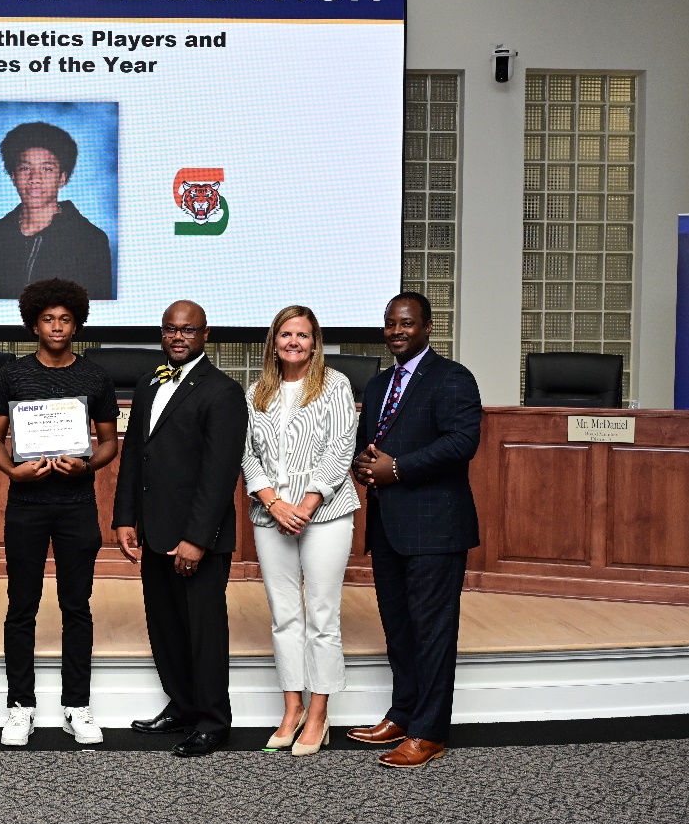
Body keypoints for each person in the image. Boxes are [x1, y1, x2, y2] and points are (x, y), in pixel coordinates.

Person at [0, 279, 120, 746]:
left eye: (65, 319)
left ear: (77, 322)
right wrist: (13, 473)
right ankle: (19, 706)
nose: (57, 327)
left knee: (76, 607)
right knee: (21, 607)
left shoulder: (95, 377)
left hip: (77, 506)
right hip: (25, 506)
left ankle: (76, 706)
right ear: (34, 323)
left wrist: (86, 466)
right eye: (48, 319)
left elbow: (109, 443)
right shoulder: (12, 374)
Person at [349, 292, 482, 768]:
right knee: (399, 628)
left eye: (406, 323)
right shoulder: (381, 381)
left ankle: (429, 731)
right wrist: (364, 467)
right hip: (388, 526)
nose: (396, 331)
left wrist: (398, 469)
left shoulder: (452, 378)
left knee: (432, 631)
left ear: (427, 327)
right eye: (389, 324)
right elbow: (372, 444)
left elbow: (463, 442)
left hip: (435, 528)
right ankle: (403, 713)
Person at [113, 301, 248, 757]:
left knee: (203, 631)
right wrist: (125, 517)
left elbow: (219, 474)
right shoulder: (150, 381)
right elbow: (136, 453)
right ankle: (183, 705)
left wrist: (196, 539)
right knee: (166, 626)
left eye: (187, 330)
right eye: (170, 329)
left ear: (205, 334)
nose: (178, 337)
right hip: (153, 530)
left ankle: (213, 721)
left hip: (197, 539)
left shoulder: (223, 392)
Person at [241, 306, 359, 756]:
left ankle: (319, 712)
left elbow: (340, 447)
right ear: (273, 341)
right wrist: (273, 501)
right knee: (285, 616)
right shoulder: (257, 392)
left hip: (325, 515)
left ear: (315, 342)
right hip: (271, 517)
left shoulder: (335, 385)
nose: (294, 342)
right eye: (285, 334)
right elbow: (248, 455)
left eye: (303, 335)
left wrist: (305, 506)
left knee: (322, 618)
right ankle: (292, 708)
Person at [0, 121, 115, 300]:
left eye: (47, 169)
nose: (35, 178)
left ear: (62, 178)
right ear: (13, 177)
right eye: (25, 168)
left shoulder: (91, 239)